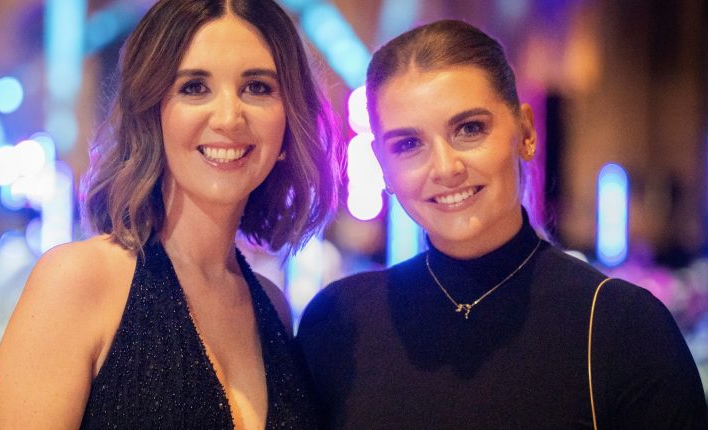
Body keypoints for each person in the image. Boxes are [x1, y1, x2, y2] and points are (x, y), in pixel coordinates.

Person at [297, 19, 707, 429]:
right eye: (408, 144)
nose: (445, 168)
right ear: (382, 165)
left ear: (526, 132)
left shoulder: (621, 326)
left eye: (469, 129)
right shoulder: (338, 322)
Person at [0, 0, 340, 428]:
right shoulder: (78, 281)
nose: (229, 117)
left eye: (257, 87)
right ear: (151, 111)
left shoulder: (273, 309)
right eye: (194, 87)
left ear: (289, 117)